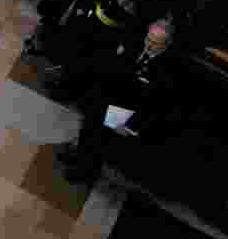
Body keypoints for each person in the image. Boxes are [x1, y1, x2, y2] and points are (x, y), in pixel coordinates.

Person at [59, 19, 180, 184]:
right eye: (148, 39)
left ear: (167, 44)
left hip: (125, 111)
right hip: (107, 97)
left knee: (100, 141)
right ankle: (79, 155)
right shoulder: (136, 44)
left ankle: (86, 171)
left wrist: (131, 125)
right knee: (88, 128)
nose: (149, 45)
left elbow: (155, 105)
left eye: (155, 43)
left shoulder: (168, 70)